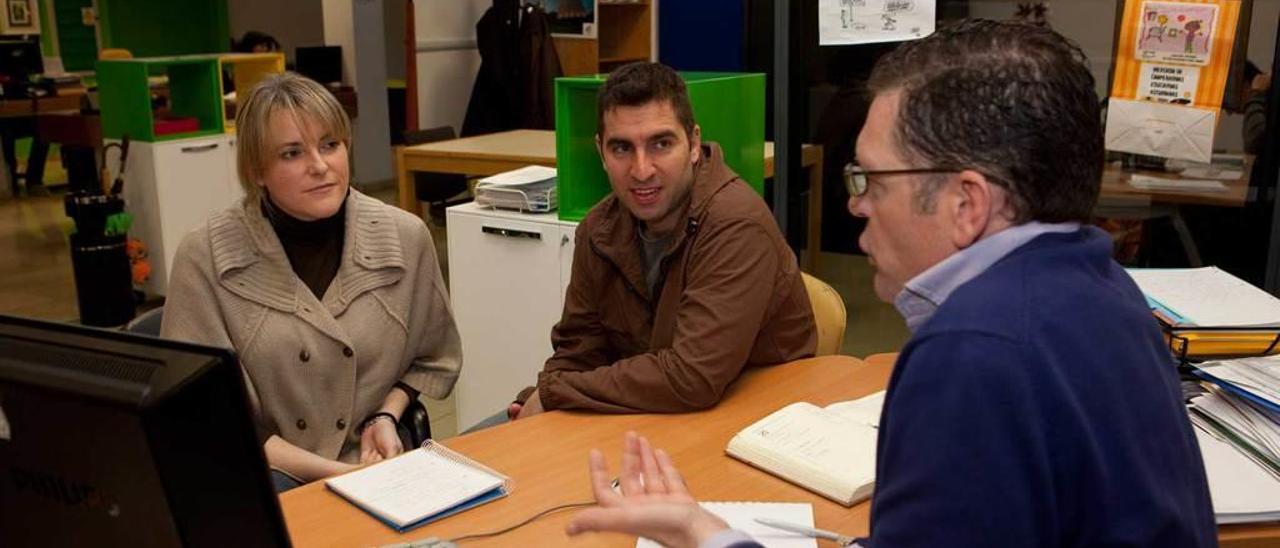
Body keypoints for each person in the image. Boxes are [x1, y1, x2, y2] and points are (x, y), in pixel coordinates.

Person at [565, 20, 1216, 547]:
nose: (856, 205)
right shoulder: (1105, 287)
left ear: (967, 203)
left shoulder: (971, 356)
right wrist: (705, 528)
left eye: (872, 179)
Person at [161, 73, 462, 490]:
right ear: (256, 170)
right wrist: (342, 475)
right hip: (262, 474)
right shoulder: (205, 256)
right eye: (291, 153)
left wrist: (385, 414)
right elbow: (207, 413)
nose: (320, 166)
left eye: (330, 145)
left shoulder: (405, 237)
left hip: (377, 460)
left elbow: (432, 357)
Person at [508, 63, 815, 419]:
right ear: (601, 153)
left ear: (694, 143)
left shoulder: (736, 224)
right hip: (656, 413)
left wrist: (554, 393)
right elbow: (580, 350)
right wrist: (543, 398)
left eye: (661, 144)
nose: (641, 170)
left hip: (754, 421)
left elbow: (692, 376)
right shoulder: (598, 229)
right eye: (622, 148)